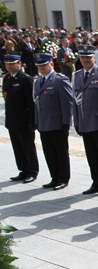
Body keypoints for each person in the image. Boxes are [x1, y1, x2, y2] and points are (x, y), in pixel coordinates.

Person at [72, 45, 98, 198]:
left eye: (88, 58)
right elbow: (75, 101)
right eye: (83, 58)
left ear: (94, 58)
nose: (86, 60)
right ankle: (96, 182)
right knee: (91, 155)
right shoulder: (77, 75)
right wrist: (76, 122)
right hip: (84, 121)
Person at [33, 53, 73, 190]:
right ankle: (54, 177)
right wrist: (36, 121)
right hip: (44, 123)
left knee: (61, 152)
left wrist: (66, 122)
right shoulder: (38, 81)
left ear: (51, 63)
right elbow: (37, 103)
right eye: (39, 66)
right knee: (49, 152)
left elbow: (68, 103)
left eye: (44, 65)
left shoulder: (60, 80)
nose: (42, 68)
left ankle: (63, 178)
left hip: (57, 123)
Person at [3, 51, 38, 183]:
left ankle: (32, 171)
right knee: (17, 147)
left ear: (19, 63)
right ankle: (23, 169)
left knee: (28, 146)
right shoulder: (7, 78)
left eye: (12, 64)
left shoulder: (26, 79)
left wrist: (32, 121)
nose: (9, 66)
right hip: (12, 119)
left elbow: (31, 102)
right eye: (7, 64)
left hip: (24, 120)